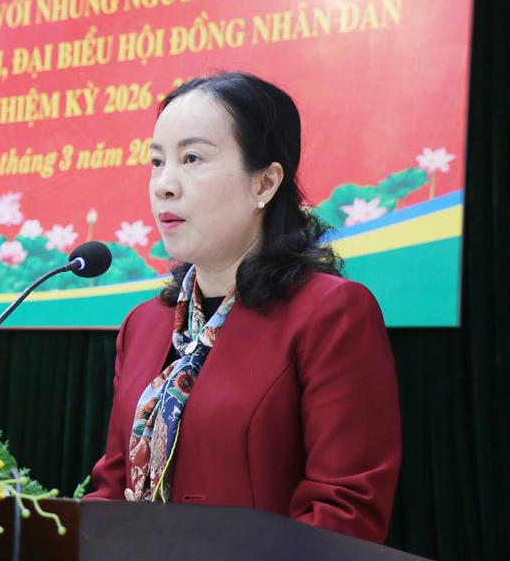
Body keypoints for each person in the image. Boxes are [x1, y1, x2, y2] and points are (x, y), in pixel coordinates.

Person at [85, 72, 401, 544]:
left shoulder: (330, 314)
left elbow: (344, 512)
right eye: (156, 162)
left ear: (265, 183)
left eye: (192, 158)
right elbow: (112, 489)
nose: (164, 185)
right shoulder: (144, 325)